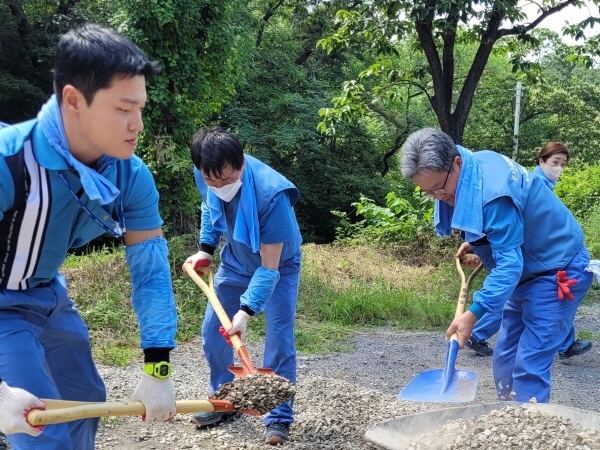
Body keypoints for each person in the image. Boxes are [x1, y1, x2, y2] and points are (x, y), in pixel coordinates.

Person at [0, 24, 178, 449]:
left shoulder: (129, 174)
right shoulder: (10, 161)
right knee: (41, 426)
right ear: (74, 100)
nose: (137, 125)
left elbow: (150, 273)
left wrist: (159, 367)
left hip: (48, 294)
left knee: (86, 400)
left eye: (141, 109)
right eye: (122, 109)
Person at [400, 128, 593, 403]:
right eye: (429, 193)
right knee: (505, 356)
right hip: (529, 270)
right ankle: (509, 417)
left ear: (456, 163)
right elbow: (507, 226)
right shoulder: (475, 163)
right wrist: (481, 244)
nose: (439, 197)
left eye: (440, 188)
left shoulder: (492, 194)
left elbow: (509, 264)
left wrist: (473, 313)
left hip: (558, 270)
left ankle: (529, 432)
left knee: (529, 363)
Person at [183, 127, 302, 445]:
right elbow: (210, 208)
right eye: (212, 180)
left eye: (226, 178)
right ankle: (226, 401)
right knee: (212, 333)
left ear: (241, 164)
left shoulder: (272, 196)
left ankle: (278, 418)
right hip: (235, 260)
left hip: (279, 268)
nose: (220, 186)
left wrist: (246, 312)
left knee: (279, 342)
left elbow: (269, 268)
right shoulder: (205, 174)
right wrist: (206, 250)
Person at [464, 142, 592, 360]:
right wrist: (480, 246)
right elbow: (510, 225)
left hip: (535, 260)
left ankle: (566, 344)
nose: (559, 168)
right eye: (555, 162)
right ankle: (476, 333)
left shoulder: (543, 184)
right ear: (541, 161)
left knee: (547, 301)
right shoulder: (534, 183)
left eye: (563, 164)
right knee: (510, 299)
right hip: (524, 259)